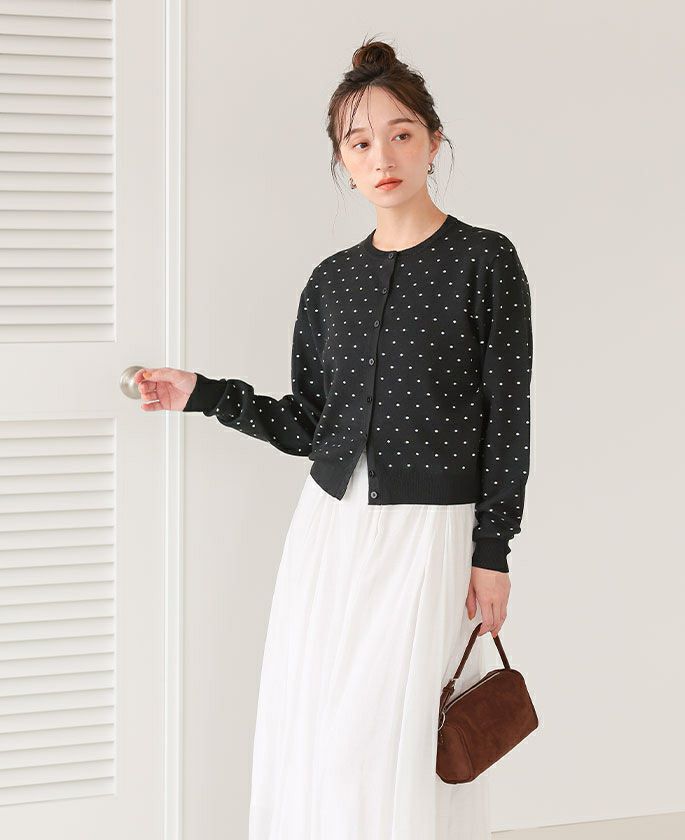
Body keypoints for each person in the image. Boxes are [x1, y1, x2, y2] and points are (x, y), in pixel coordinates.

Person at [136, 36, 532, 840]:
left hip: (429, 535)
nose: (381, 156)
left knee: (393, 740)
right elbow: (310, 425)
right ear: (342, 161)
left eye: (400, 134)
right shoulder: (331, 282)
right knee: (320, 731)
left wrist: (493, 551)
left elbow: (510, 418)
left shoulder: (485, 261)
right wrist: (201, 394)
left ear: (433, 141)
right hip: (330, 531)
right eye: (359, 142)